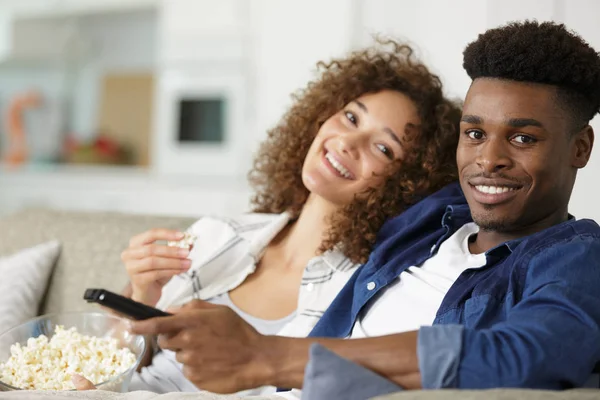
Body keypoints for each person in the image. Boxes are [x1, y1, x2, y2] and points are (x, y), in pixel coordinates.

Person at [127, 20, 600, 398]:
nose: (488, 158)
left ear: (580, 148)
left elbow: (529, 354)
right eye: (474, 133)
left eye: (523, 138)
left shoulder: (573, 257)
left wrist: (267, 356)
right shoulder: (430, 221)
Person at [75, 40, 461, 396]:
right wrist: (143, 297)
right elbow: (120, 371)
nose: (347, 142)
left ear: (409, 183)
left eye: (383, 147)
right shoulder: (217, 234)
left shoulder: (362, 294)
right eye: (350, 117)